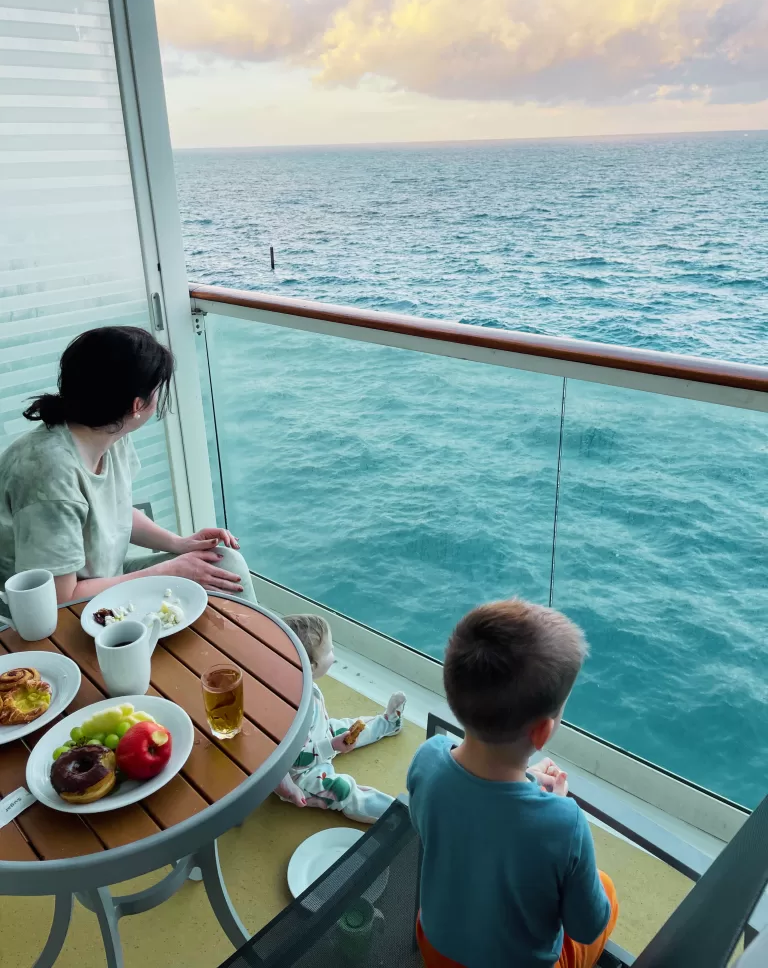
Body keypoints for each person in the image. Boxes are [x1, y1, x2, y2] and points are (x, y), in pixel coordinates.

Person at [407, 599, 619, 968]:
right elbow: (586, 927)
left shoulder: (428, 758)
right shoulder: (564, 823)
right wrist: (550, 804)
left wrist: (528, 780)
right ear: (542, 731)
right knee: (608, 890)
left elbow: (438, 822)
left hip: (434, 946)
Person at [0, 326, 257, 610]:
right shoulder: (48, 474)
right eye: (157, 388)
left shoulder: (108, 433)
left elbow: (115, 512)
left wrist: (180, 544)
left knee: (224, 560)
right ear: (137, 404)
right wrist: (168, 571)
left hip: (104, 579)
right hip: (58, 614)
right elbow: (59, 601)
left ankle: (266, 644)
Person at [273, 614, 406, 822]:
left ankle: (388, 723)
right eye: (330, 650)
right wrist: (331, 746)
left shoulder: (300, 680)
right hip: (301, 774)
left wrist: (330, 740)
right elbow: (294, 758)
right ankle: (396, 816)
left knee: (352, 728)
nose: (334, 652)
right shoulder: (293, 709)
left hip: (320, 736)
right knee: (342, 790)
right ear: (312, 665)